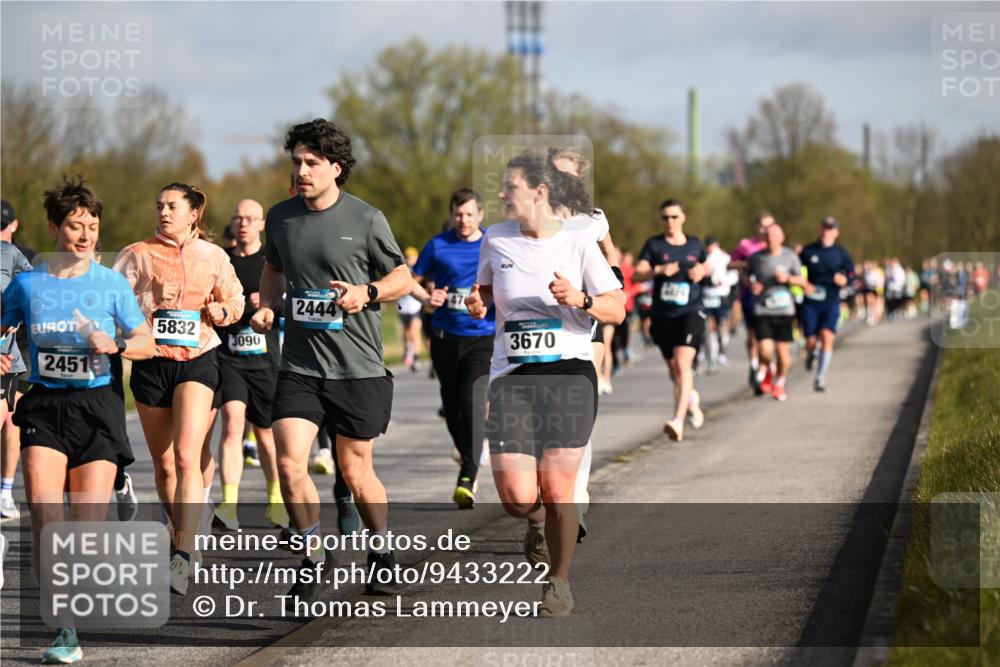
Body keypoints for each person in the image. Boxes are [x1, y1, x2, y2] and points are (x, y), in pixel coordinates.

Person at [250, 119, 412, 607]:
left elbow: (402, 276)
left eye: (311, 163)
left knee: (356, 470)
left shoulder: (366, 219)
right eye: (296, 161)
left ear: (335, 169)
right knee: (288, 462)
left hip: (357, 367)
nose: (300, 171)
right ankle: (312, 556)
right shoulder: (280, 218)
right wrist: (267, 304)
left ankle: (381, 553)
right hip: (299, 366)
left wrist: (368, 292)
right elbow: (274, 269)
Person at [1, 177, 154, 663]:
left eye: (92, 226)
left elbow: (146, 342)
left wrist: (117, 345)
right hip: (45, 405)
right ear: (53, 227)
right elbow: (2, 328)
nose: (85, 235)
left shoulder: (110, 284)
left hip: (98, 410)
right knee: (46, 519)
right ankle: (65, 631)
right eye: (74, 225)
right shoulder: (28, 284)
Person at [466, 154, 624, 616]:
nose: (500, 195)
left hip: (568, 371)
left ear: (538, 192)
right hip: (512, 376)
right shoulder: (495, 239)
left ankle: (558, 582)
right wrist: (478, 301)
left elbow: (617, 308)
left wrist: (581, 299)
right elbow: (487, 291)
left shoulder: (578, 241)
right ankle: (534, 521)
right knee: (517, 498)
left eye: (509, 186)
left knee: (559, 488)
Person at [114, 183, 245, 595]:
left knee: (189, 456)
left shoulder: (214, 255)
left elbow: (235, 301)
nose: (164, 212)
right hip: (152, 363)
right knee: (166, 464)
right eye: (160, 206)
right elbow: (112, 299)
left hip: (199, 358)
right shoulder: (137, 254)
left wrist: (221, 310)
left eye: (173, 206)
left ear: (193, 213)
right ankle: (181, 530)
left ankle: (183, 554)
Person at [411, 188, 494, 508]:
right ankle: (467, 453)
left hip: (482, 337)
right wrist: (427, 298)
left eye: (470, 214)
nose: (464, 220)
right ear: (452, 215)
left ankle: (467, 476)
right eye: (459, 214)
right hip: (446, 337)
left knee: (473, 402)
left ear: (480, 216)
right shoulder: (438, 245)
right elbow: (410, 279)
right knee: (451, 405)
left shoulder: (493, 244)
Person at [212, 199, 288, 532]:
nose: (243, 224)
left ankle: (277, 502)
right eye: (238, 217)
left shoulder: (272, 262)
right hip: (229, 358)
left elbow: (291, 299)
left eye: (250, 218)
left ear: (261, 224)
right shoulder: (222, 261)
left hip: (266, 361)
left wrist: (272, 303)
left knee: (267, 436)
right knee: (231, 423)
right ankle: (228, 504)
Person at [633, 199, 710, 442]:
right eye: (665, 217)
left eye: (674, 217)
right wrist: (658, 271)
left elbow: (707, 268)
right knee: (674, 369)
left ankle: (677, 420)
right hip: (662, 316)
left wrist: (701, 272)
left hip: (691, 311)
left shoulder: (696, 244)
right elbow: (637, 273)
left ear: (683, 218)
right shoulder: (654, 245)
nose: (670, 221)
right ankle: (690, 398)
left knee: (683, 363)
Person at [746, 224, 810, 401]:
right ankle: (769, 367)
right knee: (764, 351)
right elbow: (745, 275)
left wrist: (788, 278)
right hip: (762, 309)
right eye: (767, 235)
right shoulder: (756, 258)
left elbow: (803, 281)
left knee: (783, 353)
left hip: (784, 310)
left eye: (774, 235)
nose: (770, 238)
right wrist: (752, 285)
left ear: (782, 237)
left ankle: (780, 383)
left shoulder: (790, 256)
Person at [799, 217, 854, 392]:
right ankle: (811, 353)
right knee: (811, 340)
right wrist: (803, 284)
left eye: (830, 229)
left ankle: (820, 378)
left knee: (827, 336)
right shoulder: (808, 251)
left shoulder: (841, 254)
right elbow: (796, 270)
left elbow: (852, 275)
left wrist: (845, 280)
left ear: (836, 232)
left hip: (831, 300)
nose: (826, 232)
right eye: (824, 228)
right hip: (811, 301)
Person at [0, 238, 32, 519]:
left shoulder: (11, 254)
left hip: (5, 359)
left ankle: (5, 491)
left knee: (9, 421)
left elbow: (33, 295)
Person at [729, 212, 774, 389]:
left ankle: (766, 367)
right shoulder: (746, 245)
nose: (765, 230)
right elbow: (731, 263)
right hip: (750, 295)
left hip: (772, 297)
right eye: (762, 226)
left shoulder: (776, 245)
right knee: (753, 334)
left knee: (769, 337)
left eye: (769, 226)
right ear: (756, 227)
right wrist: (747, 264)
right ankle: (755, 366)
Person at [702, 236, 733, 374]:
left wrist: (722, 281)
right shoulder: (702, 257)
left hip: (720, 294)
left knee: (721, 325)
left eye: (711, 245)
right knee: (707, 327)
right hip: (706, 295)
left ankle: (722, 350)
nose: (709, 248)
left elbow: (733, 275)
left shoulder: (725, 258)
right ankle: (711, 358)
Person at [397, 247, 425, 372]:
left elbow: (420, 281)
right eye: (408, 257)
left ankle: (416, 358)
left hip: (416, 306)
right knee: (406, 332)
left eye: (413, 257)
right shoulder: (401, 270)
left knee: (415, 332)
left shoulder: (420, 270)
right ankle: (408, 350)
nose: (411, 259)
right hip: (403, 306)